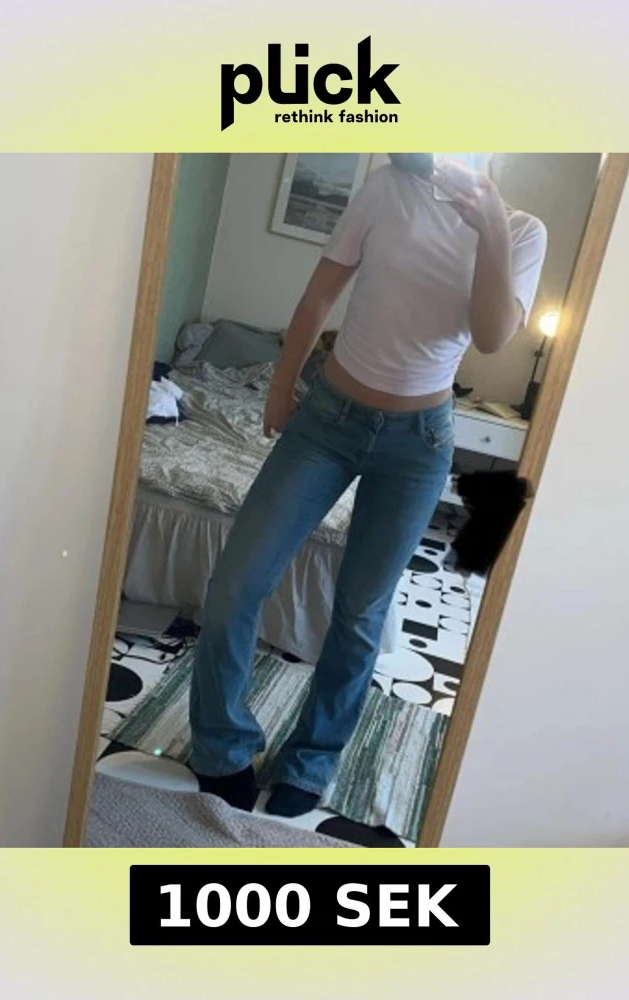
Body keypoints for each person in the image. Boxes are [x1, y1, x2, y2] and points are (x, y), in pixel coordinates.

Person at [188, 152, 548, 816]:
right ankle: (221, 744)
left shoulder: (523, 231)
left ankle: (311, 759)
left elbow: (493, 337)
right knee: (236, 581)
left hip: (419, 444)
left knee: (360, 612)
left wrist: (492, 224)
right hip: (326, 420)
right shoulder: (388, 187)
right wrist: (281, 386)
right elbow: (319, 295)